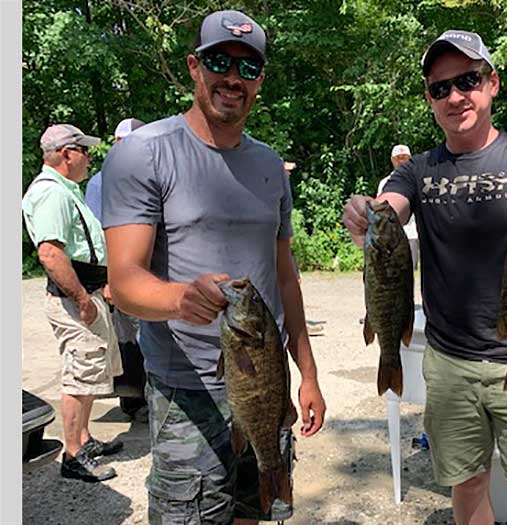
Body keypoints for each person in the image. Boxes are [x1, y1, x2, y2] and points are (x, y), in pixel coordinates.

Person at [343, 30, 507, 525]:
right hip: (449, 364)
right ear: (429, 98)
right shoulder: (418, 170)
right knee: (466, 487)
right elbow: (389, 209)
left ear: (492, 84)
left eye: (466, 80)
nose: (454, 96)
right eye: (440, 87)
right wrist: (365, 212)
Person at [100, 10, 326, 524]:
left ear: (260, 81)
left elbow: (284, 275)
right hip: (188, 388)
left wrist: (307, 373)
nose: (232, 78)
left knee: (257, 506)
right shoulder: (144, 154)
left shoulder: (270, 165)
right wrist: (182, 297)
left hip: (266, 379)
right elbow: (125, 282)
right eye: (219, 61)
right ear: (194, 67)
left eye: (247, 69)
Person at [22, 124, 125, 482]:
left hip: (87, 292)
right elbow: (50, 252)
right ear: (67, 153)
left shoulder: (67, 190)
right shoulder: (52, 193)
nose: (89, 157)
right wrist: (82, 298)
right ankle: (73, 455)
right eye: (84, 150)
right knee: (80, 376)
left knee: (93, 371)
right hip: (74, 298)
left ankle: (83, 439)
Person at [85, 117, 149, 423]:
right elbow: (99, 235)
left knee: (145, 335)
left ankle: (144, 397)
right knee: (131, 337)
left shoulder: (145, 178)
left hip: (148, 275)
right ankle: (134, 401)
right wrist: (109, 280)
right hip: (122, 276)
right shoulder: (102, 182)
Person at [284, 160, 324, 337]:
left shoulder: (284, 187)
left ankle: (299, 321)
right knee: (291, 280)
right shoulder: (278, 186)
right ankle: (298, 324)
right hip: (282, 245)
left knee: (295, 280)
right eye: (286, 170)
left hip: (285, 242)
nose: (289, 174)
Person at [377, 145, 420, 271]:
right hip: (391, 237)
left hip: (412, 233)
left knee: (411, 272)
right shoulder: (385, 183)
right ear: (392, 160)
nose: (401, 161)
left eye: (404, 157)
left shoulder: (418, 180)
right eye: (398, 158)